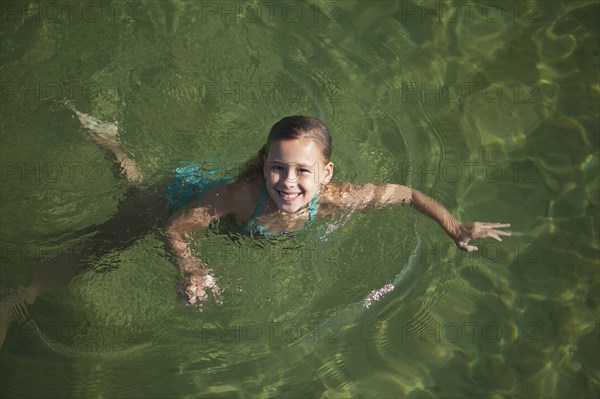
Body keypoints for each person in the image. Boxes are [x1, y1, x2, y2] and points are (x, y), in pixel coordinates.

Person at [0, 105, 511, 346]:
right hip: (183, 197)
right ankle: (21, 295)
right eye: (277, 167)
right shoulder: (243, 195)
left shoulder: (338, 201)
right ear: (263, 162)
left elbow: (407, 194)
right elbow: (176, 228)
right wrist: (191, 264)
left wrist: (454, 225)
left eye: (302, 171)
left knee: (132, 185)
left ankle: (114, 143)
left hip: (217, 211)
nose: (287, 183)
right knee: (109, 239)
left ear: (327, 174)